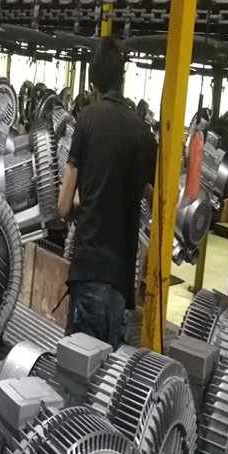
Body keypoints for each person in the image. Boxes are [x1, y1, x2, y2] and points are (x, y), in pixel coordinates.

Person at [58, 37, 157, 349]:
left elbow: (64, 205)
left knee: (78, 368)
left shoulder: (86, 120)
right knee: (106, 373)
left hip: (88, 270)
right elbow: (155, 204)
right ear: (122, 78)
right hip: (120, 282)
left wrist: (81, 204)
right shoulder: (143, 133)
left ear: (93, 81)